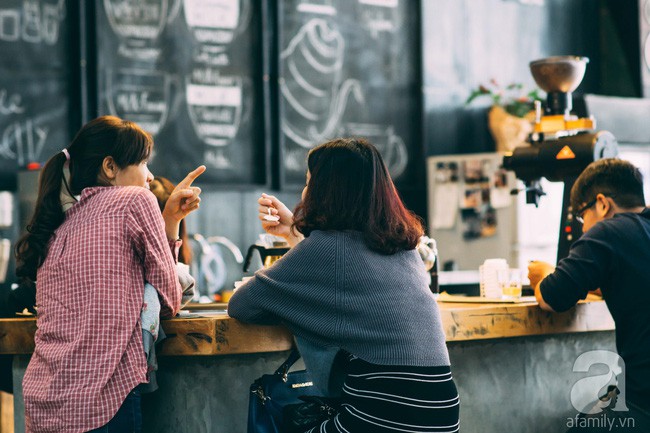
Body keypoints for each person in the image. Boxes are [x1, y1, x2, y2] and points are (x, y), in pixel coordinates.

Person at [228, 138, 460, 433]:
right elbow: (343, 280)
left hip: (385, 417)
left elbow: (242, 305)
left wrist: (300, 239)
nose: (304, 191)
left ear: (326, 191)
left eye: (309, 181)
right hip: (441, 415)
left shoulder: (328, 247)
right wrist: (295, 234)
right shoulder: (403, 247)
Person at [14, 115, 205, 432]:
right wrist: (168, 224)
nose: (150, 175)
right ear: (110, 167)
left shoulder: (62, 223)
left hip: (44, 401)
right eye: (144, 163)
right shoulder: (135, 199)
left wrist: (168, 220)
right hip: (102, 401)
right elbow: (171, 296)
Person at [528, 158, 650, 431]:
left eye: (582, 216)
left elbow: (552, 297)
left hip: (643, 402)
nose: (583, 228)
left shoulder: (609, 231)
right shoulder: (641, 233)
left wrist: (543, 273)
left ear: (602, 204)